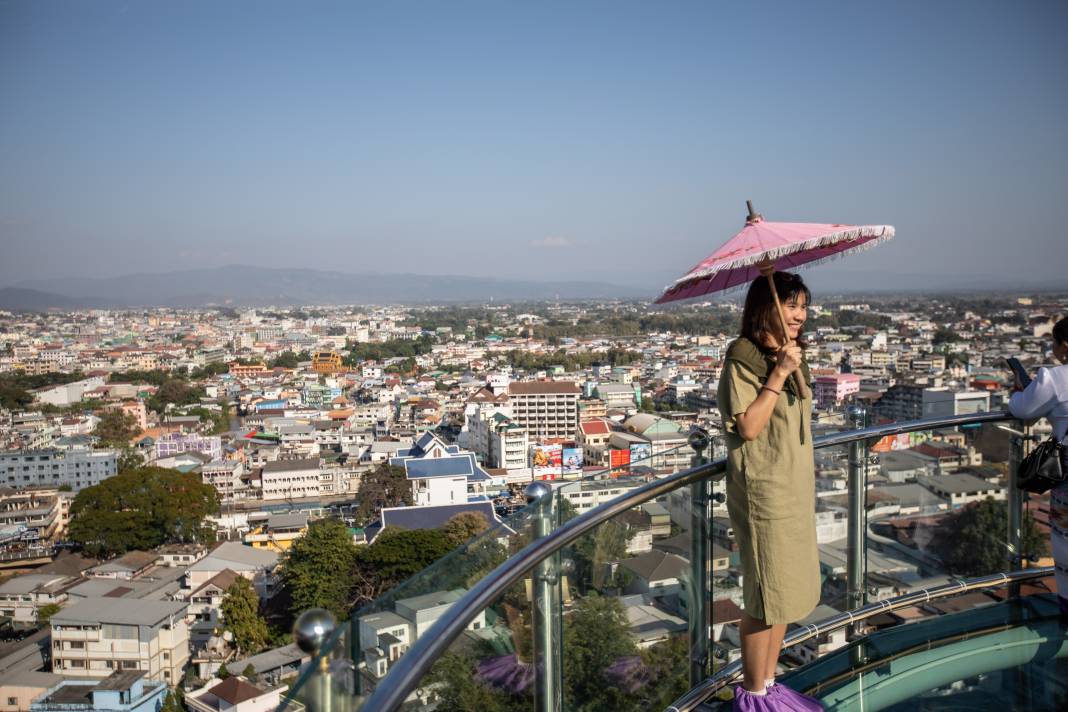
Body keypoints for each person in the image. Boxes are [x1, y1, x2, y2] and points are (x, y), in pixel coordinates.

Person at [717, 271, 822, 711]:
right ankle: (755, 696)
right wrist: (778, 373)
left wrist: (787, 364)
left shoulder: (790, 355)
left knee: (782, 595)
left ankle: (770, 681)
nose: (799, 314)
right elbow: (749, 426)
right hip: (764, 493)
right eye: (791, 305)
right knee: (763, 596)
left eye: (802, 306)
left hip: (793, 489)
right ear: (766, 307)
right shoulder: (743, 358)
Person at [1008, 315, 1068, 617]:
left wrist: (1020, 389)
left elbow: (1023, 410)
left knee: (1066, 539)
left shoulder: (1056, 378)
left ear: (1065, 346)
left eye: (1054, 343)